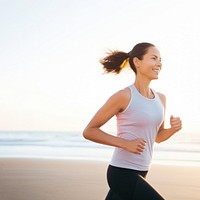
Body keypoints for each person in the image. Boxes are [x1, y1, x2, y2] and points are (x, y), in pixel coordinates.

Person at [83, 42, 182, 200]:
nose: (159, 64)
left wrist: (172, 129)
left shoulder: (161, 99)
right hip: (121, 172)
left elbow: (157, 137)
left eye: (161, 59)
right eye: (154, 58)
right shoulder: (124, 96)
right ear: (137, 62)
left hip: (143, 170)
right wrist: (125, 143)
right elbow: (89, 131)